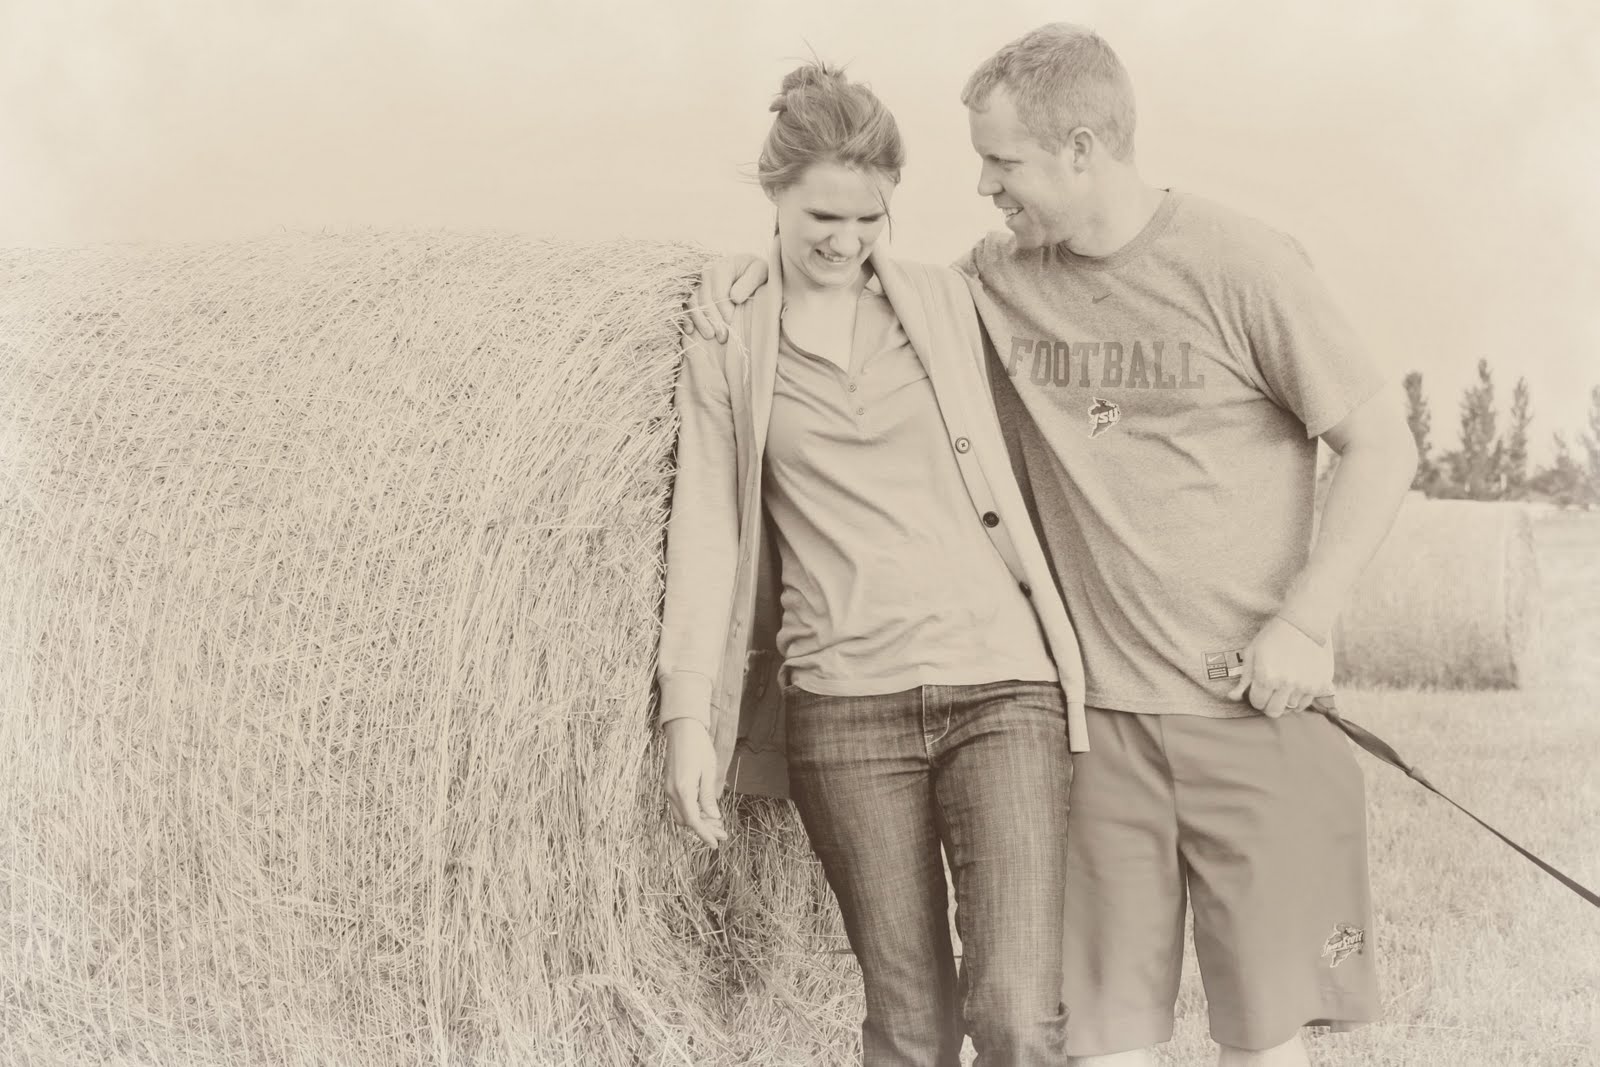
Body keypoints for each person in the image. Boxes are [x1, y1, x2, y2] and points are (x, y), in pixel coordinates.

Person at [685, 25, 1419, 1067]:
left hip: (1251, 713)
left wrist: (1306, 620)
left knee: (1262, 1041)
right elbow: (847, 277)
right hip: (1097, 726)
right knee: (1089, 1041)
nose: (983, 186)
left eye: (1002, 161)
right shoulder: (993, 278)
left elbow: (1383, 442)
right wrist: (736, 284)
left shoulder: (1245, 263)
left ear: (1081, 149)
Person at [657, 61, 1093, 1066]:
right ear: (773, 191)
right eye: (823, 216)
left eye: (869, 219)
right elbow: (707, 528)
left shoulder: (949, 300)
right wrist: (687, 715)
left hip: (1003, 688)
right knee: (908, 1024)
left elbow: (1074, 250)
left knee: (1017, 1012)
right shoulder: (728, 338)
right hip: (846, 707)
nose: (846, 241)